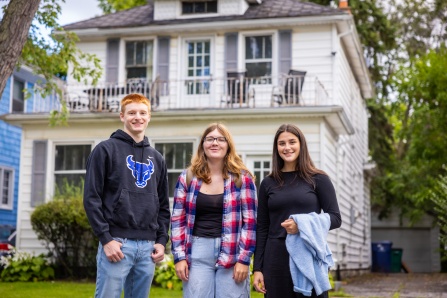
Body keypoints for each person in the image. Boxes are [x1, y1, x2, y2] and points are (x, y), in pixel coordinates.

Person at [83, 93, 170, 298]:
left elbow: (163, 205)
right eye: (131, 112)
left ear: (149, 117)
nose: (137, 117)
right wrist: (106, 239)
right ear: (122, 116)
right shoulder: (105, 150)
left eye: (142, 113)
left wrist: (161, 240)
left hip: (148, 247)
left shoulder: (157, 159)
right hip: (117, 243)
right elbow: (91, 198)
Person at [253, 124, 342, 298]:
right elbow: (262, 227)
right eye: (281, 143)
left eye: (292, 142)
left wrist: (301, 225)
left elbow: (335, 217)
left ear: (301, 144)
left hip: (308, 253)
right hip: (276, 258)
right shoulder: (268, 183)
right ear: (276, 148)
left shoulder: (318, 179)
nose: (287, 147)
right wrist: (257, 268)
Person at [171, 122, 257, 298]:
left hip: (232, 253)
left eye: (220, 139)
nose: (215, 143)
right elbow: (177, 220)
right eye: (210, 139)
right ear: (203, 144)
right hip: (198, 253)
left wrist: (243, 259)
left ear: (228, 145)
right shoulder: (187, 178)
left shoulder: (242, 179)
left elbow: (250, 222)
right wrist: (179, 258)